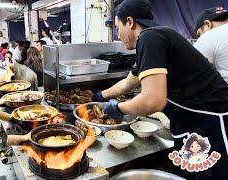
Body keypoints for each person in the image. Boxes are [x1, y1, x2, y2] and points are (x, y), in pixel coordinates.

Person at [92, 0, 228, 179]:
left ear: (131, 22)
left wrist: (117, 108)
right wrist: (101, 96)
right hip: (191, 122)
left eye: (118, 27)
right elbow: (128, 82)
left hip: (211, 125)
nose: (118, 35)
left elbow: (153, 100)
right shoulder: (159, 35)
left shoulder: (150, 37)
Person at [194, 7, 228, 83]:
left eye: (199, 34)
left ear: (207, 24)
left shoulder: (208, 36)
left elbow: (192, 73)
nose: (199, 38)